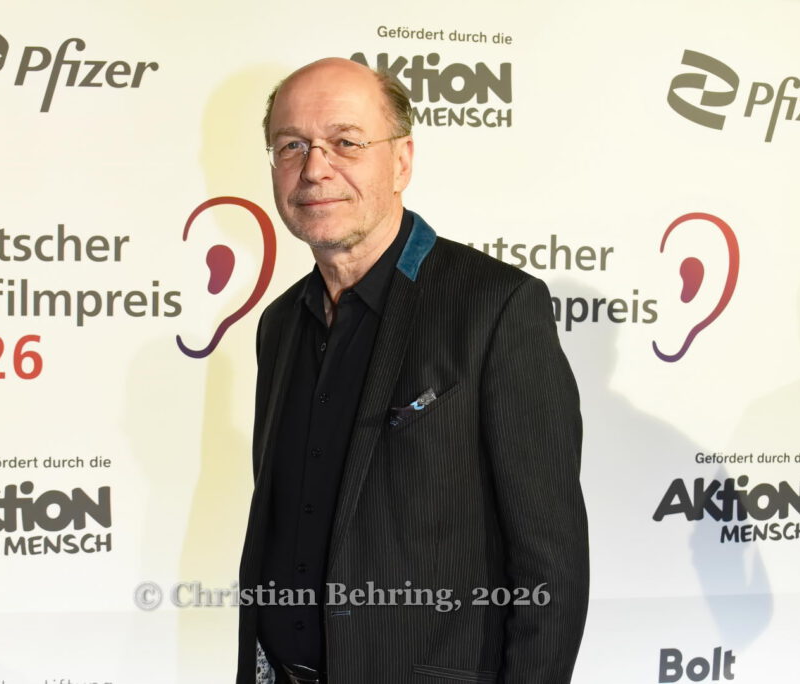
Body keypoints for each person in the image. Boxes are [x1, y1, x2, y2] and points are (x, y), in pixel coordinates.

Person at [236, 57, 588, 684]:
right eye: (292, 146)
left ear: (401, 161)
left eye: (346, 142)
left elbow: (549, 562)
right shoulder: (280, 324)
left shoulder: (495, 308)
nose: (315, 169)